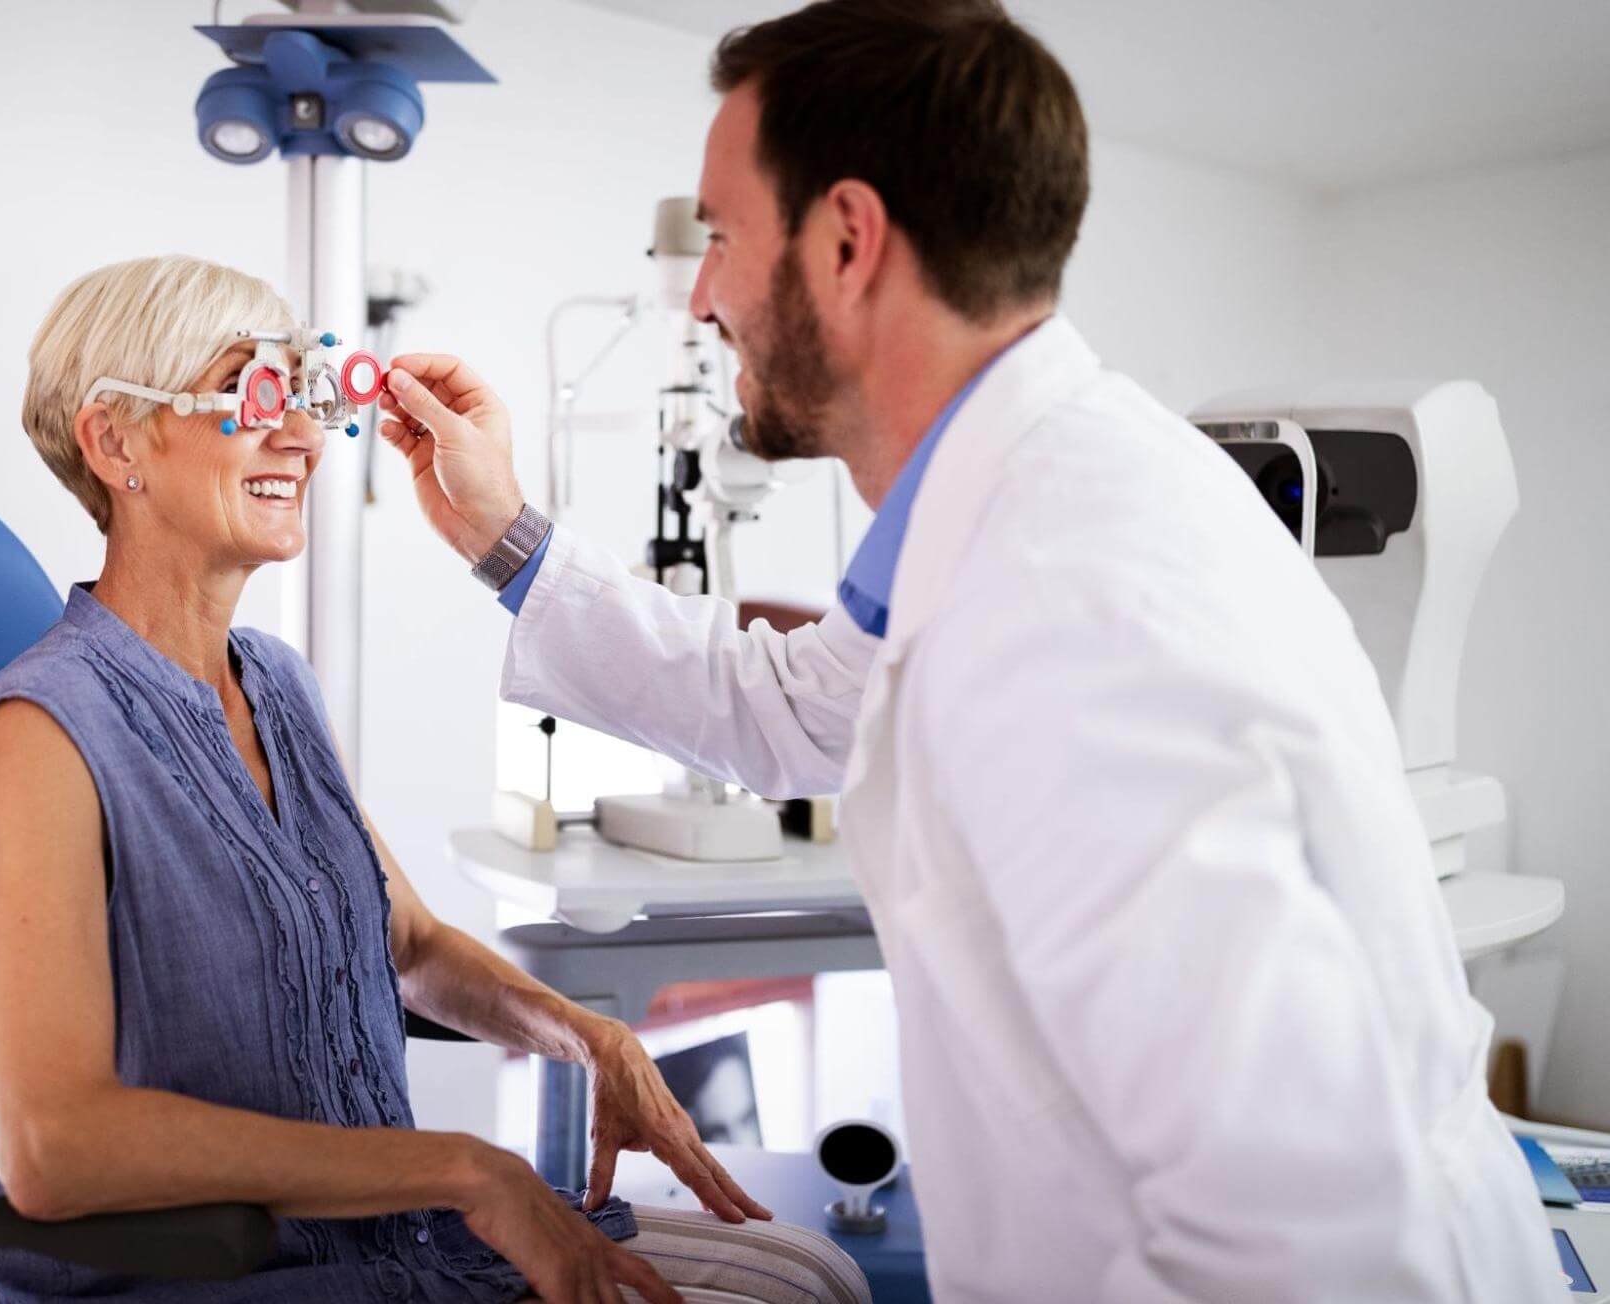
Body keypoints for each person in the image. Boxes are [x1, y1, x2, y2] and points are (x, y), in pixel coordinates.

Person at [374, 1, 1567, 1299]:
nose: (704, 291)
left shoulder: (1070, 599)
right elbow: (801, 709)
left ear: (843, 240)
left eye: (719, 235)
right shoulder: (1000, 496)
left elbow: (1292, 1238)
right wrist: (504, 537)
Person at [0, 254, 870, 1304]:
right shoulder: (48, 728)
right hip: (227, 1279)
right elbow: (50, 1144)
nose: (299, 436)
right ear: (114, 441)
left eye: (306, 394)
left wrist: (591, 1035)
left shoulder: (277, 685)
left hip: (388, 1244)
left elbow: (409, 941)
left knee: (813, 1269)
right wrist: (469, 1169)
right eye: (254, 393)